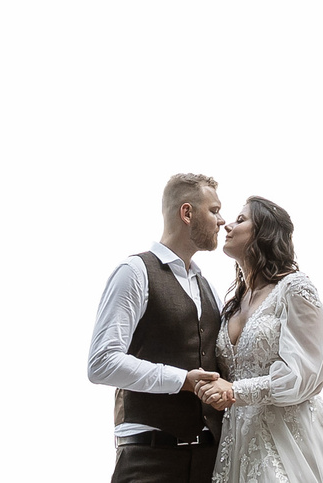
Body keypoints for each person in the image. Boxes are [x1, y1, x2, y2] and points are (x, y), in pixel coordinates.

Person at [197, 196, 323, 483]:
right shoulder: (233, 303)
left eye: (241, 219)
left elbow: (304, 377)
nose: (228, 226)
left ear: (264, 233)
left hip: (287, 440)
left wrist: (235, 391)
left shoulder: (295, 289)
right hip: (238, 441)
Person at [88, 174, 233, 483]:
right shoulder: (134, 272)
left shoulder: (208, 287)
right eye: (214, 210)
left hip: (208, 462)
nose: (222, 221)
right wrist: (182, 380)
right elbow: (101, 363)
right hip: (149, 460)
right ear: (187, 213)